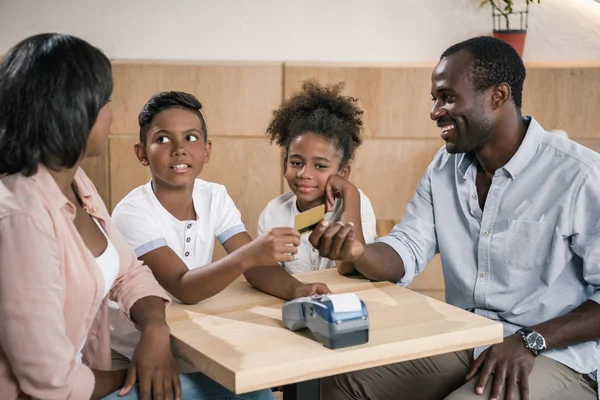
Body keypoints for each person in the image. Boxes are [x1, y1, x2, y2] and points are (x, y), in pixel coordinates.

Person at [310, 36, 600, 400]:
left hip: (557, 356)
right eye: (435, 98)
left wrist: (530, 340)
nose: (435, 111)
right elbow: (407, 247)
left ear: (498, 95)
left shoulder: (579, 175)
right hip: (470, 339)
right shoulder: (443, 168)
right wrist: (358, 251)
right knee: (344, 383)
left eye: (447, 97)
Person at [0, 33, 271, 400]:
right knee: (252, 395)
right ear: (71, 110)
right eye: (106, 101)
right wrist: (136, 375)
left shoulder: (77, 183)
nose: (112, 113)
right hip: (61, 393)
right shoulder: (21, 218)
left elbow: (130, 273)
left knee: (253, 388)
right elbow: (53, 383)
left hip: (90, 375)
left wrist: (155, 327)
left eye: (191, 138)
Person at [110, 91, 330, 363]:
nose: (179, 149)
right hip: (136, 351)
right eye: (162, 139)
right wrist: (249, 255)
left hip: (190, 338)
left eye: (191, 138)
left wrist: (298, 291)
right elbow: (183, 288)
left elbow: (256, 267)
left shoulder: (214, 196)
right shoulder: (132, 213)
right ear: (142, 153)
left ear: (207, 150)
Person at [259, 80, 376, 275]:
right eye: (296, 163)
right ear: (284, 164)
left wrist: (349, 191)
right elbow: (272, 276)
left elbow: (350, 268)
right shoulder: (273, 213)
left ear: (343, 173)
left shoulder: (356, 203)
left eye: (320, 166)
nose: (304, 173)